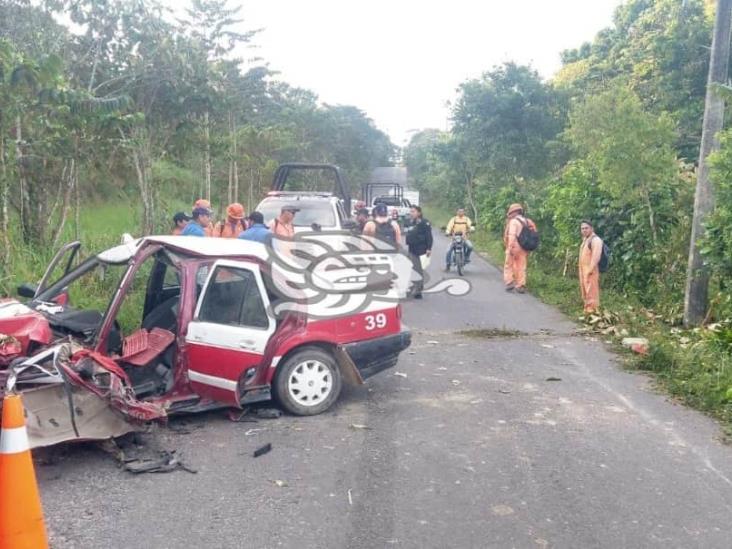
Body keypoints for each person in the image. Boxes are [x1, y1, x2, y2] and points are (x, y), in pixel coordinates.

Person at [405, 206, 433, 299]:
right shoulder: (410, 222)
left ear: (419, 213)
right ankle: (414, 287)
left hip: (420, 249)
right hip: (411, 249)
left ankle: (418, 291)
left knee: (418, 270)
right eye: (410, 212)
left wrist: (429, 248)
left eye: (413, 211)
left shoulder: (424, 223)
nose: (411, 213)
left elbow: (429, 236)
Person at [503, 203, 529, 293]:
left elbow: (512, 235)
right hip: (524, 247)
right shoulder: (525, 221)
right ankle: (520, 285)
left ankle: (509, 282)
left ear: (515, 212)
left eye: (511, 212)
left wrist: (509, 248)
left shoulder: (514, 221)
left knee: (508, 265)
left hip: (514, 246)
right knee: (521, 266)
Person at [579, 220, 603, 314]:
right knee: (585, 291)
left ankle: (592, 312)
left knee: (591, 291)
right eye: (582, 228)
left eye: (586, 228)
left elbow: (596, 256)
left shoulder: (595, 240)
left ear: (591, 228)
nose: (584, 230)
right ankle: (587, 310)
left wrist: (591, 269)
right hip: (583, 270)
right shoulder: (586, 239)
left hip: (590, 270)